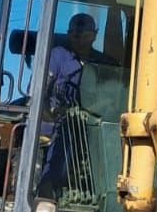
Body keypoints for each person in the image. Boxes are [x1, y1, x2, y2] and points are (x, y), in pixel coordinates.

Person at [38, 12, 115, 198]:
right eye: (74, 36)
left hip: (94, 123)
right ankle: (47, 189)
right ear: (69, 35)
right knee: (66, 133)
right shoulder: (57, 56)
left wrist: (96, 107)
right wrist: (49, 113)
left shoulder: (104, 64)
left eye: (85, 36)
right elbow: (41, 91)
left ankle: (109, 193)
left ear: (94, 35)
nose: (79, 41)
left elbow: (112, 96)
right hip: (57, 121)